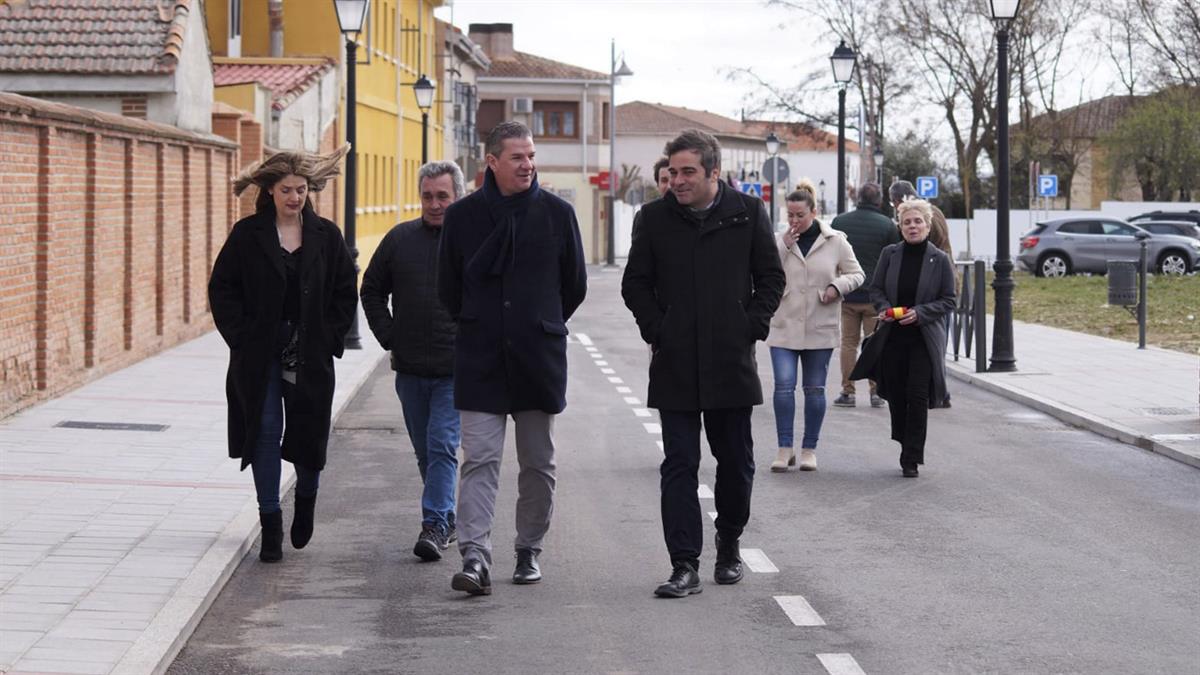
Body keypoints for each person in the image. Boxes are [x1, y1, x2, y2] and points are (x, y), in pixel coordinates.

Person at [622, 129, 784, 598]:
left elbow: (770, 278)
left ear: (714, 172)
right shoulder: (653, 219)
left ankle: (729, 538)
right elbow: (636, 284)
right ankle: (684, 564)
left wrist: (748, 325)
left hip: (730, 360)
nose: (677, 180)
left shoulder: (747, 213)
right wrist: (659, 329)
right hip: (674, 362)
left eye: (688, 171)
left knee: (736, 464)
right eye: (672, 172)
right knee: (679, 465)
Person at [437, 121, 587, 596]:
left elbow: (574, 285)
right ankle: (475, 557)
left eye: (531, 156)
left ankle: (528, 549)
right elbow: (448, 287)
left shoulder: (558, 214)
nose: (528, 165)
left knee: (538, 462)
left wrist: (539, 321)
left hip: (537, 358)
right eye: (518, 157)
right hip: (480, 357)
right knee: (479, 459)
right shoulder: (462, 218)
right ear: (493, 162)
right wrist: (481, 321)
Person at [208, 146, 357, 563]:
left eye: (301, 189)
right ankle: (269, 521)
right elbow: (222, 289)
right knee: (265, 430)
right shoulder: (247, 235)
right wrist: (241, 336)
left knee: (308, 432)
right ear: (270, 192)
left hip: (309, 352)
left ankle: (306, 498)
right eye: (287, 190)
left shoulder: (327, 235)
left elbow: (346, 291)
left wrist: (329, 337)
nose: (295, 197)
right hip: (259, 354)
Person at [361, 161, 465, 562]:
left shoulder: (472, 240)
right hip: (410, 370)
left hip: (455, 370)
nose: (435, 204)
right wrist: (390, 336)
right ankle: (447, 518)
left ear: (456, 197)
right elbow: (370, 290)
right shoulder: (400, 239)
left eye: (442, 196)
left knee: (441, 445)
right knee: (426, 451)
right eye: (427, 196)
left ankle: (435, 525)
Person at [767, 182, 864, 473]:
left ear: (814, 212)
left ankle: (809, 448)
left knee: (814, 389)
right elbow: (763, 272)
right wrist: (783, 244)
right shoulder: (778, 241)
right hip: (784, 324)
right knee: (783, 387)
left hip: (819, 324)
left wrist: (837, 286)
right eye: (790, 215)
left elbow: (857, 274)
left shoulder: (836, 241)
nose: (794, 221)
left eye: (800, 215)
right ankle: (785, 448)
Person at [858, 198, 956, 477]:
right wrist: (884, 309)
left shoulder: (940, 259)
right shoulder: (890, 254)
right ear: (900, 227)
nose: (912, 227)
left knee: (917, 393)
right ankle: (904, 438)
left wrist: (921, 313)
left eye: (917, 221)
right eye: (906, 222)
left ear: (927, 225)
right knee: (898, 395)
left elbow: (949, 300)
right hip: (893, 336)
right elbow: (875, 289)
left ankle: (911, 456)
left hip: (924, 338)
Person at [830, 182, 900, 409]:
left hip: (848, 293)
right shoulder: (887, 225)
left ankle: (847, 392)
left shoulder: (840, 222)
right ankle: (876, 392)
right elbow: (894, 260)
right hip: (875, 297)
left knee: (848, 344)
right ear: (879, 200)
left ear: (857, 198)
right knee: (874, 344)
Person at [889, 180, 955, 408]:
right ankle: (939, 391)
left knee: (934, 342)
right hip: (942, 279)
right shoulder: (935, 212)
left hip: (932, 283)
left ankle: (938, 390)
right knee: (939, 340)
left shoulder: (923, 217)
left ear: (899, 201)